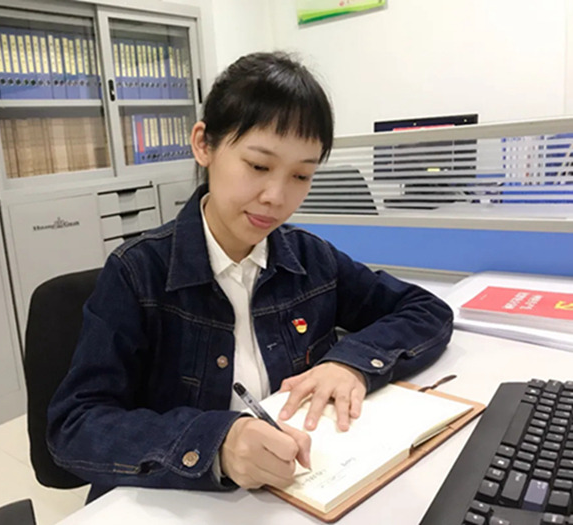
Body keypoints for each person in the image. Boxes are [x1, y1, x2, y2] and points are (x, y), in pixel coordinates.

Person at [47, 52, 454, 502]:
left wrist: (351, 364)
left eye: (301, 175)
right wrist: (216, 444)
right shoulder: (137, 273)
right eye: (259, 166)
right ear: (204, 145)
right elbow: (75, 425)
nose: (276, 197)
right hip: (180, 503)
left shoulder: (309, 259)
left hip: (297, 492)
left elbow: (425, 310)